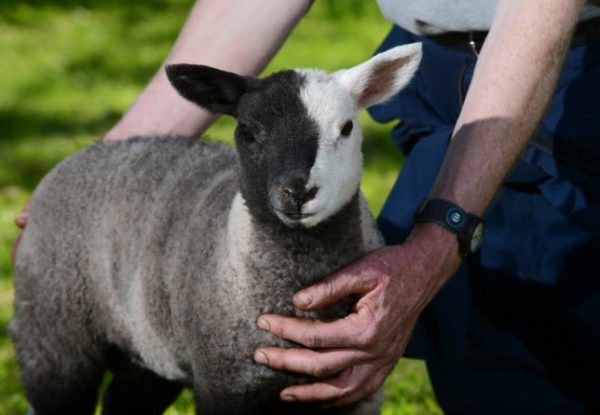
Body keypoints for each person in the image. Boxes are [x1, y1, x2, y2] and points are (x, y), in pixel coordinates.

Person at [14, 0, 600, 413]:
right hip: (434, 76)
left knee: (549, 363)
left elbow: (543, 11)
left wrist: (443, 229)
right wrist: (101, 166)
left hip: (567, 85)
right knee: (480, 369)